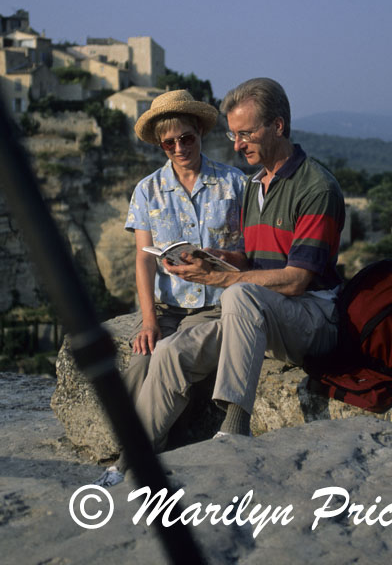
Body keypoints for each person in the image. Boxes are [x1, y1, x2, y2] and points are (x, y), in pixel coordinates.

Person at [96, 78, 344, 487]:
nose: (237, 144)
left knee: (237, 294)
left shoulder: (305, 187)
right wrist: (211, 259)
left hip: (291, 310)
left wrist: (218, 275)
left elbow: (298, 279)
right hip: (241, 306)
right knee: (163, 354)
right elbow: (247, 256)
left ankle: (234, 427)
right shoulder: (257, 184)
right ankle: (132, 458)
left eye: (245, 134)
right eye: (234, 134)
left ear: (277, 127)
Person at [94, 89, 246, 487]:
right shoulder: (147, 190)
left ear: (200, 132)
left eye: (186, 138)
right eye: (168, 142)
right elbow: (143, 259)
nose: (179, 148)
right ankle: (149, 442)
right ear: (160, 145)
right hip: (169, 310)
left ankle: (133, 459)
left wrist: (218, 261)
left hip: (218, 307)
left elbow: (254, 254)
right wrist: (148, 321)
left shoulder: (234, 184)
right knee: (141, 359)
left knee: (166, 355)